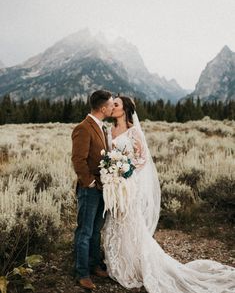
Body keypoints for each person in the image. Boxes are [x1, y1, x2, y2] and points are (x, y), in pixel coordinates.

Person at [103, 95, 235, 293]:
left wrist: (126, 171)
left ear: (125, 109)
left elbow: (142, 159)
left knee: (130, 221)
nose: (111, 107)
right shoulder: (109, 130)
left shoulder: (134, 132)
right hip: (115, 185)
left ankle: (136, 265)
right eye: (111, 104)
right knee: (116, 220)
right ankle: (119, 261)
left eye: (116, 104)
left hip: (130, 183)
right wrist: (113, 172)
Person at [71, 90, 114, 290]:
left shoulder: (102, 127)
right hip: (89, 189)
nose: (113, 107)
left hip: (102, 187)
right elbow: (78, 160)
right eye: (112, 104)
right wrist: (88, 183)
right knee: (85, 231)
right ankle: (82, 273)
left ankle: (94, 264)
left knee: (96, 229)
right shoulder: (83, 128)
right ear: (103, 108)